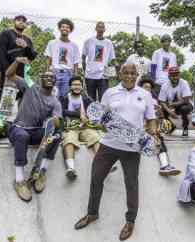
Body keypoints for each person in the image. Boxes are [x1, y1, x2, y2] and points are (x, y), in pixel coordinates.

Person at [74, 64, 157, 241]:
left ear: (137, 75)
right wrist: (107, 125)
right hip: (108, 145)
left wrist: (151, 133)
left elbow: (151, 119)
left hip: (132, 148)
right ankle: (92, 213)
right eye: (125, 73)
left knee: (132, 184)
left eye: (132, 73)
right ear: (120, 74)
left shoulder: (145, 95)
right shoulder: (110, 92)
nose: (129, 76)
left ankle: (130, 221)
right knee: (96, 179)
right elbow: (100, 116)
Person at [6, 57, 62, 202]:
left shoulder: (55, 102)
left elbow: (57, 120)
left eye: (52, 77)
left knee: (57, 135)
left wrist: (54, 122)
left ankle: (41, 171)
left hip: (36, 131)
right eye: (46, 76)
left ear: (55, 81)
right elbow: (9, 75)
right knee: (22, 136)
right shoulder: (29, 88)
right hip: (18, 128)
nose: (49, 79)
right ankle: (19, 180)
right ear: (41, 79)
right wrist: (17, 61)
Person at [138, 77, 181, 176]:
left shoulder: (153, 100)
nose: (147, 89)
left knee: (159, 140)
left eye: (149, 88)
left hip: (151, 129)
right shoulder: (136, 98)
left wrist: (159, 110)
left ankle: (165, 166)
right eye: (145, 87)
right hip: (138, 129)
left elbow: (160, 117)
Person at [61, 76, 100, 180]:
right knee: (69, 139)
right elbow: (62, 111)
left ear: (82, 87)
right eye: (74, 85)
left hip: (85, 127)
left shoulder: (86, 99)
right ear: (70, 86)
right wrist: (78, 115)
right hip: (70, 127)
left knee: (95, 137)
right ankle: (71, 168)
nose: (77, 87)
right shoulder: (65, 98)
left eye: (79, 85)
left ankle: (103, 165)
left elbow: (94, 112)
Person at [0, 15, 37, 86]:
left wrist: (26, 46)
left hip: (21, 75)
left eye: (23, 21)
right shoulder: (6, 34)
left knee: (21, 95)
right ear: (14, 22)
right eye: (18, 20)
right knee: (5, 95)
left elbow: (32, 56)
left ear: (26, 25)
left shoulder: (27, 39)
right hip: (6, 73)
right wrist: (8, 71)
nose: (21, 22)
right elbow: (0, 53)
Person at [44, 18, 80, 100]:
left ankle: (62, 113)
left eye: (67, 27)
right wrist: (47, 73)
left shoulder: (74, 46)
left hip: (68, 74)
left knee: (64, 97)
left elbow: (76, 63)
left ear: (70, 30)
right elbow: (48, 59)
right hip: (54, 72)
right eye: (63, 26)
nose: (65, 28)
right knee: (52, 96)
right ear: (59, 28)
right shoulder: (52, 43)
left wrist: (75, 78)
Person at [82, 21, 116, 101]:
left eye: (102, 27)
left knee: (103, 99)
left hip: (103, 76)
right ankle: (89, 114)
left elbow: (112, 59)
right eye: (99, 27)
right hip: (90, 75)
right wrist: (85, 71)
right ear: (96, 29)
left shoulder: (108, 43)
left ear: (104, 29)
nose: (100, 29)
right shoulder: (89, 41)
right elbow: (83, 57)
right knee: (90, 99)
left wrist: (115, 70)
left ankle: (102, 114)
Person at [158, 67, 193, 136]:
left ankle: (185, 128)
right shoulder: (165, 86)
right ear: (168, 76)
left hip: (185, 104)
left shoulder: (184, 83)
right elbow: (162, 101)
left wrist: (173, 104)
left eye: (176, 75)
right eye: (172, 75)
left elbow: (186, 99)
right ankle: (171, 126)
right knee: (160, 110)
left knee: (184, 109)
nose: (175, 77)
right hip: (171, 106)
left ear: (179, 75)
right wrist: (169, 111)